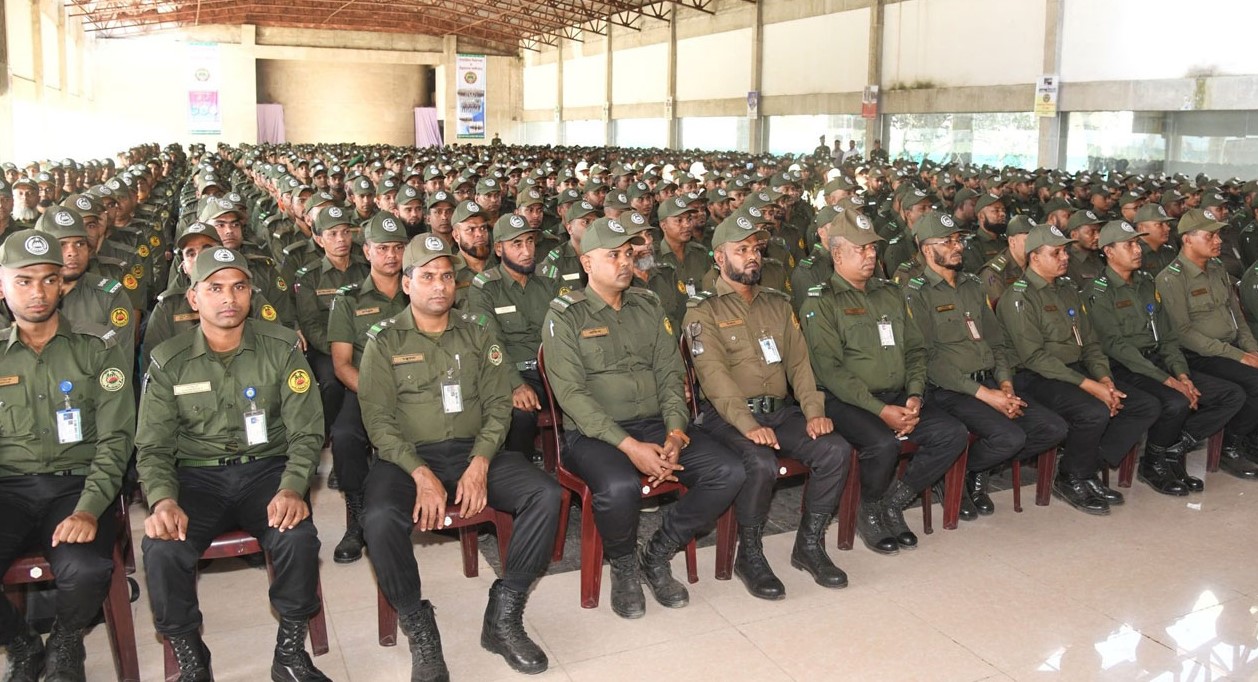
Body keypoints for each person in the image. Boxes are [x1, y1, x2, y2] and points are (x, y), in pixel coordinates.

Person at [359, 235, 561, 679]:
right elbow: (378, 422)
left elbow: (497, 406)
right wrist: (420, 474)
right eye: (427, 277)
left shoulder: (477, 332)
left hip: (474, 451)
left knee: (545, 494)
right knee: (376, 517)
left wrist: (482, 461)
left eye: (447, 276)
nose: (439, 286)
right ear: (407, 284)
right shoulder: (384, 341)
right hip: (406, 459)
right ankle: (418, 622)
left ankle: (504, 613)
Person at [136, 246, 329, 682]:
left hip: (266, 472)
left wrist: (292, 487)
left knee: (296, 538)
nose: (229, 298)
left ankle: (290, 652)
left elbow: (306, 431)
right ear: (193, 298)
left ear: (251, 294)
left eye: (239, 287)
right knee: (162, 549)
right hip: (196, 478)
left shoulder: (280, 347)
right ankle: (190, 657)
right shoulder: (169, 361)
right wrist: (163, 500)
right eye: (215, 288)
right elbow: (153, 447)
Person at [542, 217, 744, 620]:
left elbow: (672, 373)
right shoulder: (565, 316)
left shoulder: (647, 305)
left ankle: (658, 551)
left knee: (729, 470)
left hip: (655, 423)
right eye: (613, 255)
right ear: (586, 263)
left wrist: (674, 432)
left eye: (629, 254)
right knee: (619, 487)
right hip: (595, 435)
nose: (624, 262)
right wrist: (631, 448)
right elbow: (572, 397)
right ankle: (624, 564)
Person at [686, 214, 851, 599]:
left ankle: (809, 545)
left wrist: (813, 411)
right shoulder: (702, 311)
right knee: (759, 462)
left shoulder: (777, 304)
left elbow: (799, 363)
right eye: (741, 250)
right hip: (726, 416)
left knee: (835, 449)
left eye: (756, 249)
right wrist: (746, 424)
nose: (752, 257)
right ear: (718, 258)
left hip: (778, 410)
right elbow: (714, 378)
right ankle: (751, 552)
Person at [0, 230, 134, 682]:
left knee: (85, 566)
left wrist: (90, 507)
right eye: (24, 280)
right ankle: (21, 643)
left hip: (78, 484)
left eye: (48, 279)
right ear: (2, 285)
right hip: (9, 488)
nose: (38, 292)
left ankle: (65, 638)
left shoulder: (98, 348)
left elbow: (116, 440)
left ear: (62, 284)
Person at [800, 210, 967, 555]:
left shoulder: (890, 294)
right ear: (836, 254)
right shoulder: (822, 300)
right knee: (883, 445)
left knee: (951, 434)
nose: (871, 255)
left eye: (873, 249)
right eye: (860, 249)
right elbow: (829, 370)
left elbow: (917, 351)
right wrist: (880, 410)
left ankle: (893, 501)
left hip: (899, 396)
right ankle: (869, 506)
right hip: (846, 401)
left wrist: (915, 395)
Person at [904, 212, 1067, 517]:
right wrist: (987, 396)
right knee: (1010, 436)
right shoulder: (916, 293)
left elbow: (997, 342)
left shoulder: (973, 285)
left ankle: (972, 470)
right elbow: (928, 359)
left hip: (989, 382)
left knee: (1051, 427)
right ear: (927, 250)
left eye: (959, 240)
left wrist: (1004, 384)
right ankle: (955, 474)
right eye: (948, 241)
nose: (958, 246)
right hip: (950, 389)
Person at [996, 225, 1159, 514]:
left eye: (1064, 251)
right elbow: (1034, 358)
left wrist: (1105, 379)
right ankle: (1071, 478)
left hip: (1074, 370)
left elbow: (1091, 344)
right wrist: (1090, 386)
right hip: (1034, 377)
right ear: (1034, 258)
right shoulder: (1019, 297)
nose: (1064, 258)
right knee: (1092, 410)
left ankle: (1085, 466)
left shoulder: (1068, 289)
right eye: (1055, 252)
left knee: (1143, 405)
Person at [1087, 220, 1245, 493]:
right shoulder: (1098, 291)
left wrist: (1181, 374)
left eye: (1137, 243)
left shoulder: (1146, 283)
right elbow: (1115, 346)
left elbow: (1169, 337)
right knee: (1175, 401)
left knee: (1230, 394)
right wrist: (1169, 381)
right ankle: (1153, 463)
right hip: (1124, 366)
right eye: (1129, 245)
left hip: (1159, 361)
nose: (1137, 250)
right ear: (1109, 252)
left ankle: (1171, 451)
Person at [324, 213, 409, 563]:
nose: (391, 256)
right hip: (365, 389)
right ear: (367, 252)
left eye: (399, 248)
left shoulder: (419, 290)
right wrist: (377, 396)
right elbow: (342, 363)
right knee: (345, 435)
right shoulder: (349, 299)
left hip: (419, 389)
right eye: (383, 248)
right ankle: (357, 517)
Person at [1157, 209, 1258, 478]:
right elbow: (1183, 333)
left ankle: (1245, 439)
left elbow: (1238, 318)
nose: (1218, 241)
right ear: (1188, 239)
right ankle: (1229, 445)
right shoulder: (1171, 278)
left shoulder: (1217, 269)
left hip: (1226, 352)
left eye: (1218, 235)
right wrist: (1238, 356)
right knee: (1250, 383)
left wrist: (1251, 350)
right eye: (1210, 235)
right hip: (1195, 356)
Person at [467, 214, 560, 460]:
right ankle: (521, 470)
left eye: (530, 241)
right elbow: (490, 344)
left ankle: (574, 466)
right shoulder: (485, 287)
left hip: (554, 369)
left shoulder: (549, 278)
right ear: (499, 249)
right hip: (513, 371)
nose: (527, 251)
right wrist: (515, 384)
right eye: (517, 244)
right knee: (520, 414)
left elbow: (566, 330)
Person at [292, 205, 370, 437]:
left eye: (346, 232)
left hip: (366, 344)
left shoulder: (366, 268)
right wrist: (338, 348)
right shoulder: (309, 276)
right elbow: (310, 324)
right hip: (327, 347)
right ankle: (326, 434)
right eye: (332, 234)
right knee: (331, 383)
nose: (341, 239)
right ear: (318, 239)